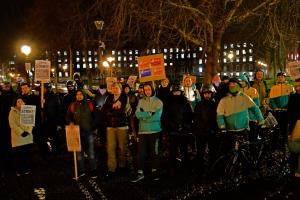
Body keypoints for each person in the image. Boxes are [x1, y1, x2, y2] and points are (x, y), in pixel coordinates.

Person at [217, 78, 264, 152]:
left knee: (245, 151)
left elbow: (255, 108)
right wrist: (222, 127)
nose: (232, 86)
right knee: (230, 153)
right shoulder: (224, 100)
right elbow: (219, 116)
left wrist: (261, 119)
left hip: (243, 130)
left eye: (234, 84)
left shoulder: (244, 97)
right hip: (229, 131)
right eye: (231, 84)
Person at [131, 82, 163, 182]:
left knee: (154, 153)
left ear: (152, 89)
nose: (147, 91)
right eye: (145, 90)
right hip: (142, 132)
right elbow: (137, 114)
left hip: (155, 131)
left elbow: (157, 117)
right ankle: (140, 173)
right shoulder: (141, 101)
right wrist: (149, 114)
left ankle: (154, 171)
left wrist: (144, 116)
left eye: (149, 89)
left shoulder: (158, 102)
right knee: (141, 153)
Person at [101, 82, 132, 177]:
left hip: (122, 126)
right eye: (113, 88)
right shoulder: (109, 98)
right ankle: (112, 168)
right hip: (110, 126)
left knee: (122, 148)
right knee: (110, 148)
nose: (115, 90)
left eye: (117, 88)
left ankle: (122, 166)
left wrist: (110, 110)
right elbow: (104, 110)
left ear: (120, 89)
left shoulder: (124, 97)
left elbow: (122, 111)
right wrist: (113, 107)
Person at [66, 89, 97, 179]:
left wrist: (92, 127)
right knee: (79, 154)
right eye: (77, 94)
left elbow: (96, 117)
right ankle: (81, 170)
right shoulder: (72, 105)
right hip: (76, 133)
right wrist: (70, 122)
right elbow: (68, 117)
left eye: (81, 94)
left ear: (84, 95)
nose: (79, 96)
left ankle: (93, 170)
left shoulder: (90, 104)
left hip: (88, 132)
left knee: (91, 153)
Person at [165, 83, 193, 176]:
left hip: (183, 132)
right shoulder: (168, 103)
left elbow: (189, 116)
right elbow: (166, 117)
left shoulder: (186, 102)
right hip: (173, 132)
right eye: (174, 92)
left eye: (178, 92)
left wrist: (185, 126)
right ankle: (172, 169)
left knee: (184, 151)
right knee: (172, 152)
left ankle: (185, 169)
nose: (176, 94)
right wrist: (172, 126)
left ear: (181, 92)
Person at [193, 84, 218, 173]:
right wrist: (203, 128)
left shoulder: (215, 104)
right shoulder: (199, 105)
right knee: (200, 152)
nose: (207, 95)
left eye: (209, 93)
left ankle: (213, 168)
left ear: (212, 94)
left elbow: (217, 118)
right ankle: (200, 168)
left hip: (212, 132)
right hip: (201, 132)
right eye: (205, 93)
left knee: (213, 151)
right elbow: (196, 118)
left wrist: (213, 129)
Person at [9, 97, 34, 176]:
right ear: (15, 103)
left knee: (26, 154)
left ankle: (26, 169)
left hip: (28, 137)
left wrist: (28, 131)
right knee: (18, 155)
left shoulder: (28, 110)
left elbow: (31, 123)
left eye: (21, 101)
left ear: (24, 103)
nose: (20, 103)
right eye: (18, 102)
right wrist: (21, 132)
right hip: (17, 138)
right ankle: (19, 170)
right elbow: (12, 124)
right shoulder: (12, 111)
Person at [269, 72, 295, 145]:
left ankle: (285, 143)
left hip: (287, 111)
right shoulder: (273, 88)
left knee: (285, 128)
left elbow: (293, 99)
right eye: (279, 77)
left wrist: (288, 107)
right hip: (277, 111)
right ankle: (276, 143)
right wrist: (275, 108)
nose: (280, 78)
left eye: (282, 77)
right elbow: (272, 100)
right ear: (277, 78)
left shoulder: (290, 87)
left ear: (284, 78)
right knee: (276, 127)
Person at [0, 82, 17, 176]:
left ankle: (10, 165)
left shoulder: (14, 97)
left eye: (7, 86)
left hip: (11, 124)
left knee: (11, 145)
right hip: (3, 125)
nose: (6, 87)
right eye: (4, 86)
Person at [239, 74, 260, 141]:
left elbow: (257, 104)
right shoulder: (237, 92)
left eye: (243, 81)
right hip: (241, 119)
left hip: (252, 118)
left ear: (246, 81)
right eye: (240, 81)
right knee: (243, 138)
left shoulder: (253, 90)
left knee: (252, 137)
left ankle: (252, 150)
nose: (241, 82)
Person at [287, 78, 300, 178]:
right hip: (294, 125)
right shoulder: (293, 96)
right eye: (297, 85)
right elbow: (290, 112)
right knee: (294, 149)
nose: (298, 87)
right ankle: (293, 170)